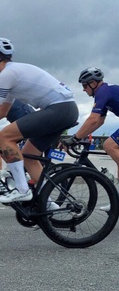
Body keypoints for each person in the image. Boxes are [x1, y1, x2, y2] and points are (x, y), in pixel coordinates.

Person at [60, 67, 119, 207]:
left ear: (93, 83)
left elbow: (93, 119)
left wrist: (74, 138)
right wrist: (81, 136)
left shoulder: (102, 91)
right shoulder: (105, 91)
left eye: (84, 85)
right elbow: (100, 120)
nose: (83, 89)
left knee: (109, 145)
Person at [0, 37, 79, 206]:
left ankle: (22, 190)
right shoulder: (12, 76)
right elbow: (3, 112)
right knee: (29, 157)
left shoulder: (7, 74)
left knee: (4, 137)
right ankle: (49, 206)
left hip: (59, 108)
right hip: (64, 109)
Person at [0, 100, 35, 170]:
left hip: (25, 119)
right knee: (3, 147)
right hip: (28, 117)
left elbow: (2, 113)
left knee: (2, 142)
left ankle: (15, 171)